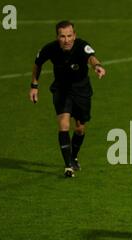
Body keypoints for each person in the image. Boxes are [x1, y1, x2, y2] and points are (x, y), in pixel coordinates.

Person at [29, 20, 106, 177]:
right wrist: (34, 86)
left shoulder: (81, 45)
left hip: (81, 90)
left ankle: (73, 156)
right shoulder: (50, 49)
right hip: (62, 90)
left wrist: (97, 66)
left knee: (80, 128)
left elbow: (91, 57)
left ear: (74, 35)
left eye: (69, 36)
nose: (66, 40)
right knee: (64, 124)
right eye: (62, 36)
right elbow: (38, 63)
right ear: (57, 37)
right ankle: (68, 166)